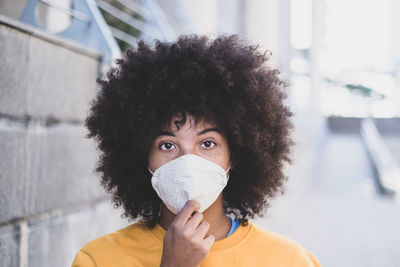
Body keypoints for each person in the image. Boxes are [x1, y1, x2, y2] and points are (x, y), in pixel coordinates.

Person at [71, 34, 321, 266]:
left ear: (235, 155)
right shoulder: (99, 259)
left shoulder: (289, 260)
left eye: (207, 143)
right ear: (142, 156)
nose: (188, 162)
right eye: (167, 145)